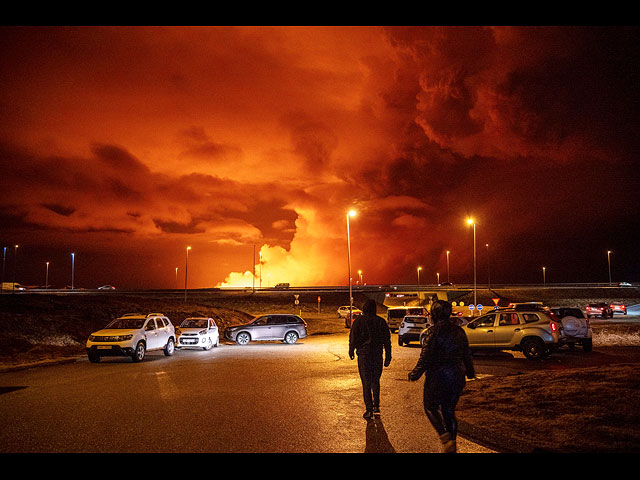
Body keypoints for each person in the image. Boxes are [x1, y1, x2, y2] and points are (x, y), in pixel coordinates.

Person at [408, 299, 475, 453]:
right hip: (457, 376)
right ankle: (452, 443)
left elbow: (425, 357)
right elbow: (467, 354)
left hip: (438, 377)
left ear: (435, 314)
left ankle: (445, 438)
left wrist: (414, 374)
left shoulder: (432, 332)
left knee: (430, 406)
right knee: (449, 410)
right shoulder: (459, 331)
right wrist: (470, 372)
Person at [349, 299, 391, 419]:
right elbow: (387, 341)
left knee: (366, 383)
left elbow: (353, 337)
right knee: (375, 381)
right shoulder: (381, 322)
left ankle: (369, 409)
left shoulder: (358, 322)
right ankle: (376, 406)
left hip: (364, 356)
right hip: (377, 355)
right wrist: (388, 356)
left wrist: (351, 350)